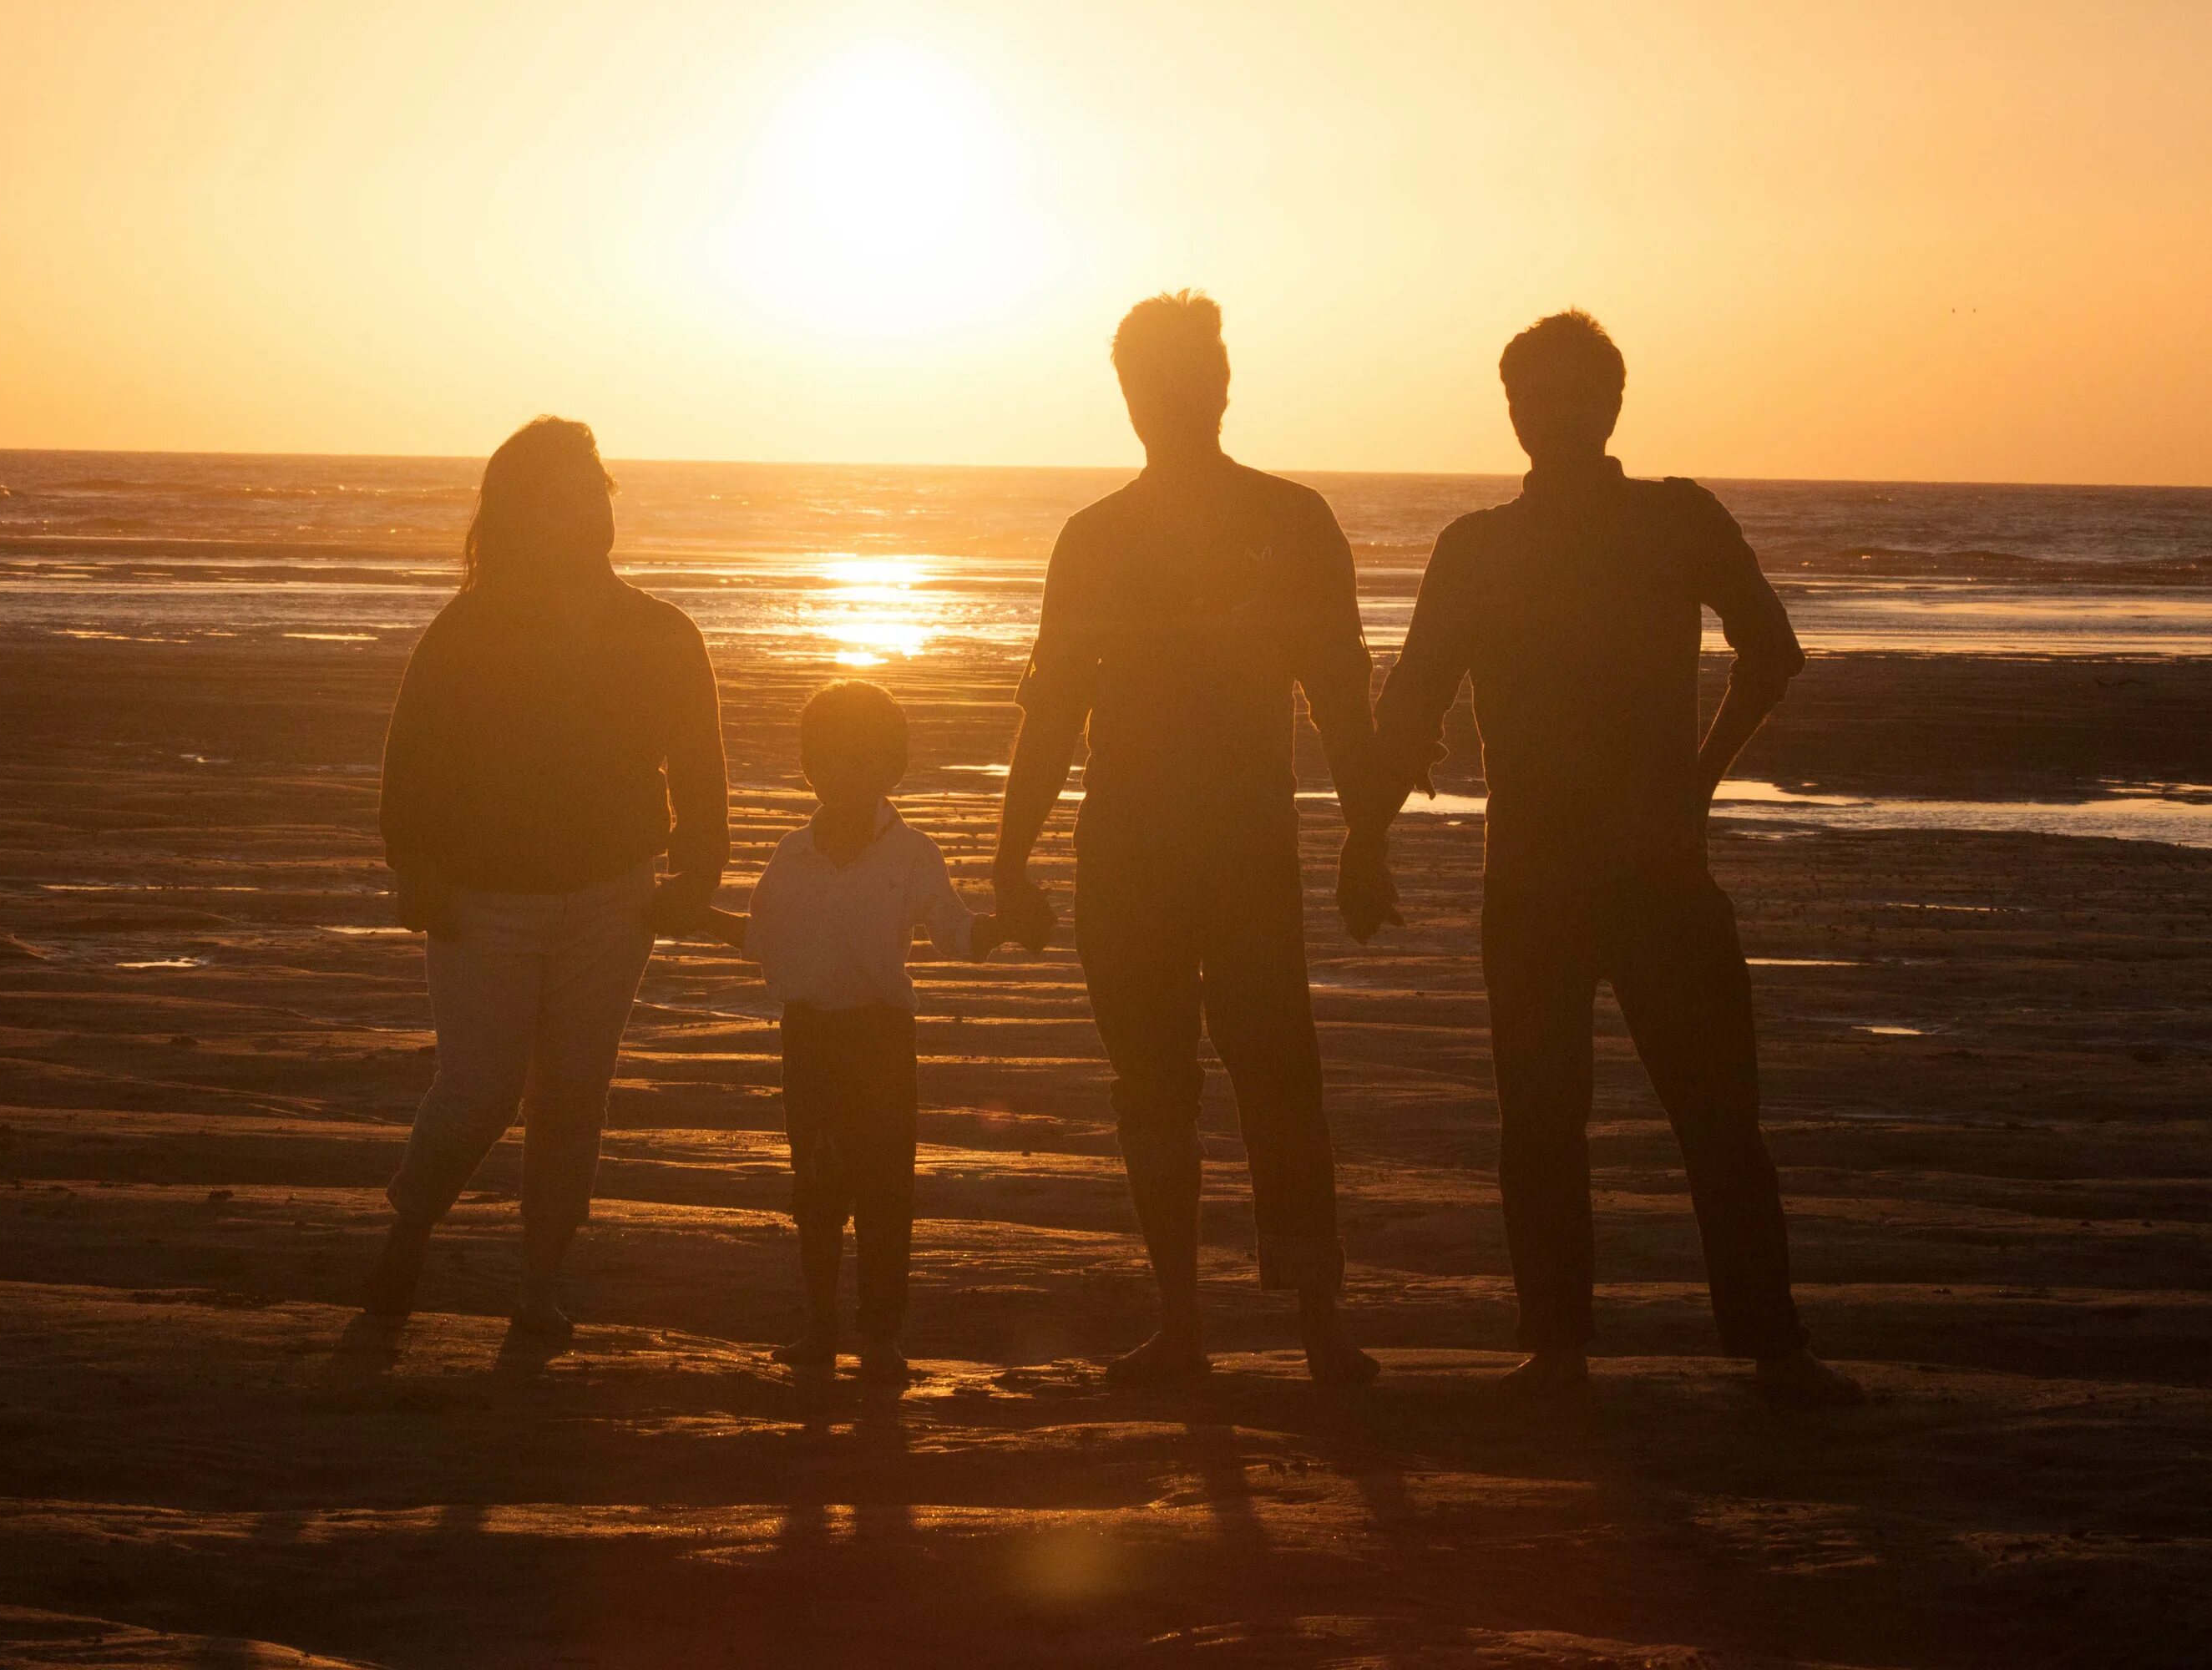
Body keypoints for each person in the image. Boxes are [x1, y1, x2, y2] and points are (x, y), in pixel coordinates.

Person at [1366, 311, 1863, 1405]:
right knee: (1545, 1122)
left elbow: (1771, 653)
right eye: (1533, 395)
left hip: (1656, 878)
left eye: (1573, 392)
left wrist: (1698, 777)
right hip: (1535, 882)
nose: (1553, 412)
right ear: (1512, 412)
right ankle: (1558, 1349)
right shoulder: (1480, 547)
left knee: (1717, 1119)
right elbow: (1411, 705)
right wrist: (1365, 838)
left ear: (1613, 402)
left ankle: (1770, 1349)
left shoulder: (1670, 519)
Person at [993, 291, 1394, 1387]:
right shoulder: (1113, 537)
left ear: (1220, 385)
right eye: (1159, 380)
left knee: (1255, 1076)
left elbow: (1341, 700)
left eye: (1189, 376)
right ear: (1138, 396)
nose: (1175, 397)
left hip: (1225, 847)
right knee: (1180, 1083)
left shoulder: (1283, 524)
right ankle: (1199, 1325)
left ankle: (1290, 1322)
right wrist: (1009, 857)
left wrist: (1368, 836)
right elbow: (1056, 710)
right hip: (1138, 850)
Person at [362, 417, 729, 1343]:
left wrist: (699, 867)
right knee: (479, 1087)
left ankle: (538, 1286)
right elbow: (414, 760)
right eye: (562, 493)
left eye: (595, 488)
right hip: (484, 900)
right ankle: (412, 1216)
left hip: (614, 895)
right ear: (526, 511)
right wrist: (417, 865)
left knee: (574, 1096)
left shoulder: (661, 630)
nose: (587, 508)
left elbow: (699, 765)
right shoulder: (472, 627)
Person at [700, 680, 1006, 1384]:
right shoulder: (790, 854)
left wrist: (1001, 931)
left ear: (890, 770)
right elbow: (762, 942)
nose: (847, 775)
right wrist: (692, 917)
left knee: (884, 1188)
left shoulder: (913, 853)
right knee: (815, 1183)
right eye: (832, 760)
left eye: (865, 761)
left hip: (881, 1039)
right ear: (810, 766)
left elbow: (953, 934)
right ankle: (817, 1326)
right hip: (808, 1036)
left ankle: (880, 1335)